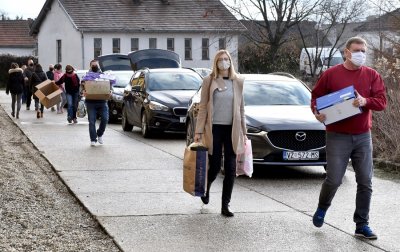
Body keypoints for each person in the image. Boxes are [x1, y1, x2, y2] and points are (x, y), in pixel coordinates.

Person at [311, 37, 387, 239]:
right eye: (357, 50)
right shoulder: (331, 74)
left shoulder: (372, 75)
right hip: (337, 136)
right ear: (346, 52)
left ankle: (362, 224)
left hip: (362, 135)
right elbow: (316, 98)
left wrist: (365, 100)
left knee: (365, 181)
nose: (361, 54)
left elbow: (382, 102)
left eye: (363, 50)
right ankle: (322, 207)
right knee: (334, 180)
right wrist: (317, 113)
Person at [193, 50, 247, 217]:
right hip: (214, 128)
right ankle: (206, 188)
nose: (224, 62)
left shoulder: (237, 81)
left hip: (232, 129)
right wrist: (198, 131)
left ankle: (225, 205)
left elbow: (241, 108)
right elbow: (203, 108)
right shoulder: (209, 81)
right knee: (215, 166)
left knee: (231, 169)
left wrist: (245, 132)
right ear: (216, 63)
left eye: (226, 59)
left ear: (231, 62)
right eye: (221, 60)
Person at [81, 59, 110, 146]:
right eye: (93, 65)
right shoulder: (86, 77)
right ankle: (93, 139)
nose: (94, 66)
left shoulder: (104, 76)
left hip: (102, 101)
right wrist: (83, 92)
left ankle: (100, 134)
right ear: (90, 66)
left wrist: (110, 91)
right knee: (92, 121)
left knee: (105, 119)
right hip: (91, 102)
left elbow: (109, 86)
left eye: (95, 65)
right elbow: (81, 87)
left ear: (98, 66)